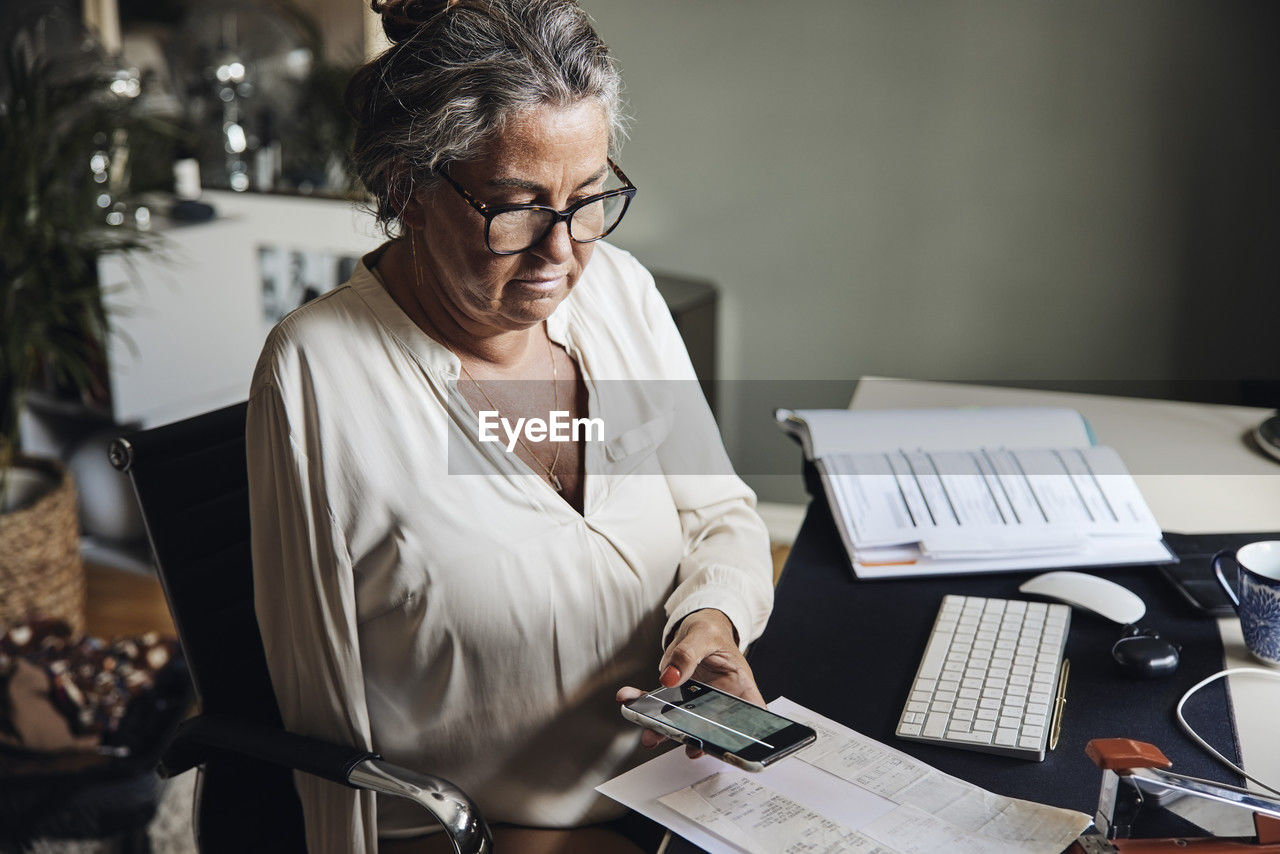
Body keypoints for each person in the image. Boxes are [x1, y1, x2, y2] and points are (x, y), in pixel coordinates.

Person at [246, 1, 774, 851]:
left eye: (590, 197)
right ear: (406, 191)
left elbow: (722, 516)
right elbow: (325, 736)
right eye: (516, 207)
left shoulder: (622, 294)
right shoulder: (319, 373)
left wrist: (710, 623)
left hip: (685, 799)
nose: (561, 252)